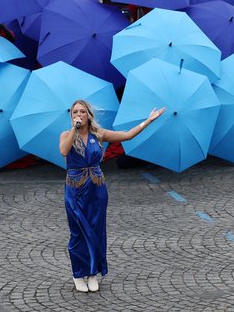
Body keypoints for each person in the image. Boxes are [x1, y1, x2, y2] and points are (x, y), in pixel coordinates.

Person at [59, 100, 165, 292]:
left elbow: (127, 136)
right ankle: (77, 273)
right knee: (78, 231)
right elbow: (64, 151)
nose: (79, 114)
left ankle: (92, 273)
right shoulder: (66, 135)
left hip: (96, 188)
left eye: (82, 111)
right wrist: (74, 130)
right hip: (75, 189)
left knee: (96, 229)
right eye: (75, 112)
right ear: (71, 115)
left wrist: (148, 121)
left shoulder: (98, 134)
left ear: (89, 114)